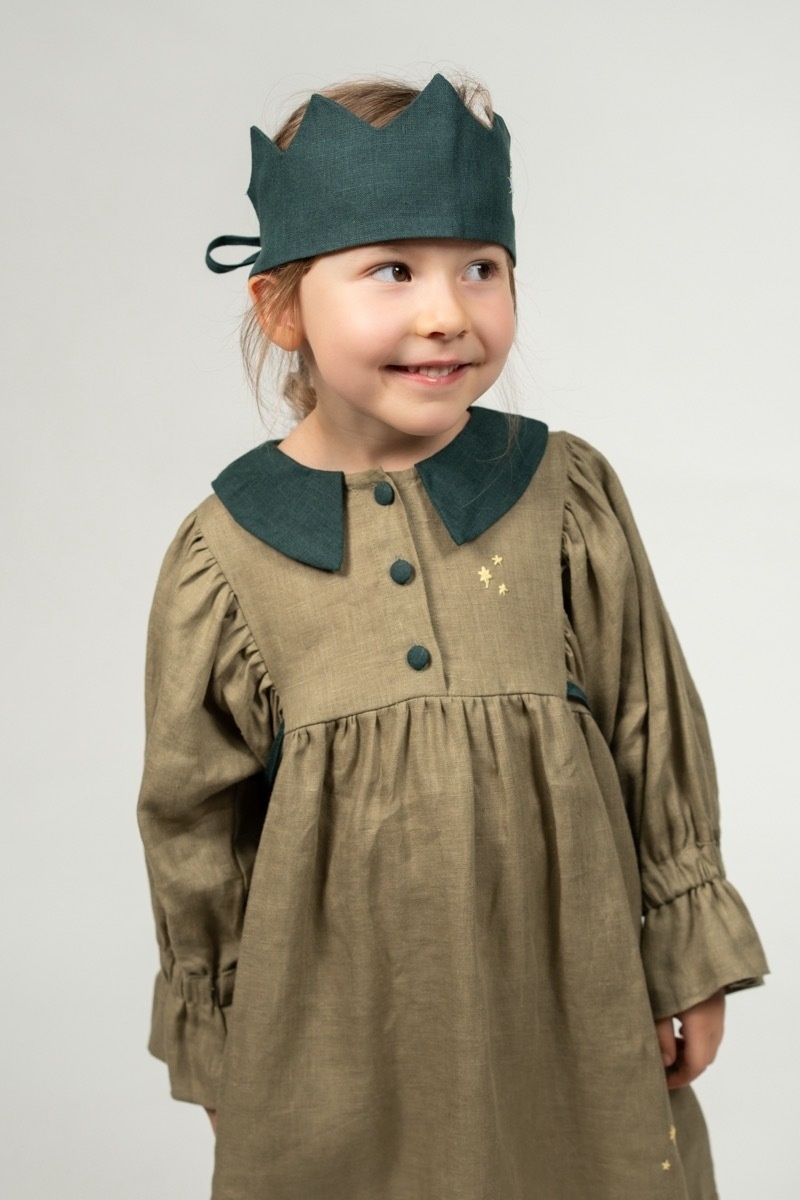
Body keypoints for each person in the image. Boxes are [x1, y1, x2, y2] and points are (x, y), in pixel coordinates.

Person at [137, 73, 768, 1200]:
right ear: (281, 307)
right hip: (332, 1038)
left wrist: (686, 945)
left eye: (480, 266)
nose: (447, 312)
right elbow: (194, 822)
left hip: (572, 1007)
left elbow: (648, 720)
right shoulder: (225, 556)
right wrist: (215, 1028)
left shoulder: (561, 494)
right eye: (393, 270)